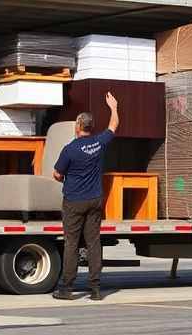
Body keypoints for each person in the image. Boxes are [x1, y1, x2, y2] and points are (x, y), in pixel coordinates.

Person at [52, 91, 119, 301]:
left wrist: (64, 178)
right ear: (90, 128)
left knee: (71, 243)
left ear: (78, 127)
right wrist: (114, 107)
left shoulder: (70, 149)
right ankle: (96, 289)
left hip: (74, 201)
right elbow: (113, 126)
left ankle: (67, 288)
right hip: (95, 200)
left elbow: (56, 174)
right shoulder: (99, 143)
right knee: (93, 243)